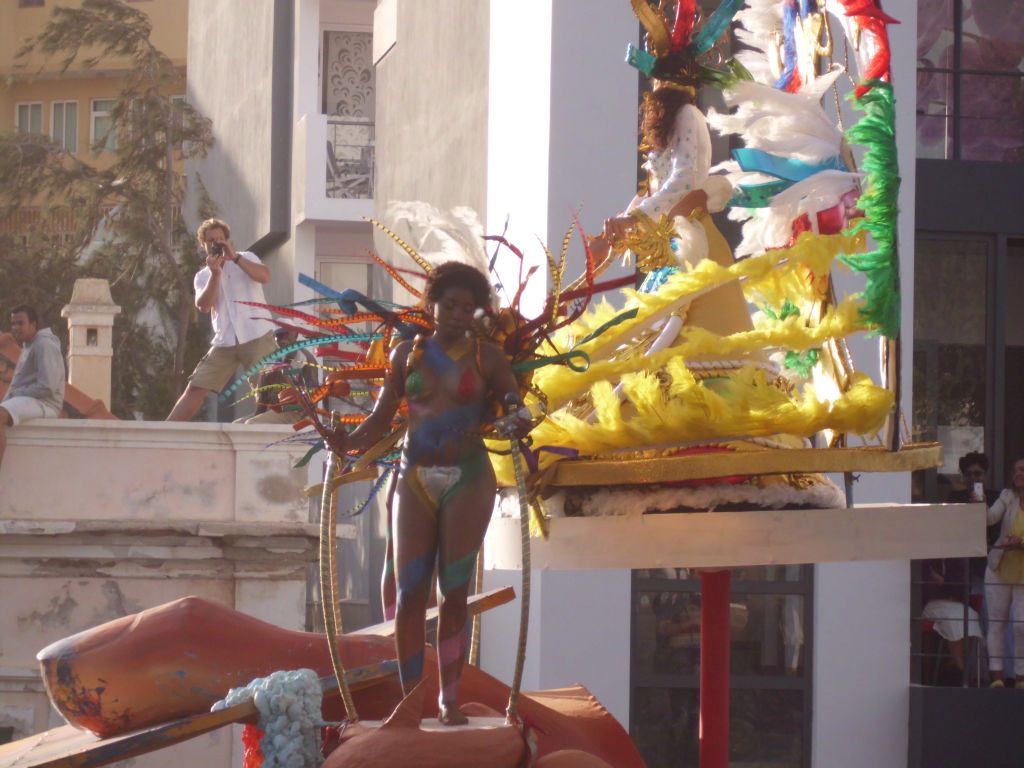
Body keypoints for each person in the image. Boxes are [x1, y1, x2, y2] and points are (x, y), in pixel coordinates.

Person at [324, 262, 530, 725]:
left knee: (453, 592)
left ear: (477, 312)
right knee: (410, 590)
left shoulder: (488, 358)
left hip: (467, 478)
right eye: (449, 305)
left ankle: (448, 700)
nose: (457, 314)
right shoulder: (407, 354)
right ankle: (410, 700)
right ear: (431, 305)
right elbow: (380, 418)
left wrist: (516, 420)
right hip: (413, 475)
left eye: (466, 308)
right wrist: (346, 441)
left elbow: (516, 407)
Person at [166, 218, 277, 421]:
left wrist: (235, 258)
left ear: (227, 240)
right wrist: (215, 274)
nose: (216, 243)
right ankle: (164, 432)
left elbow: (265, 276)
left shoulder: (246, 257)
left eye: (220, 239)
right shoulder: (203, 275)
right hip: (225, 340)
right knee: (196, 386)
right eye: (211, 240)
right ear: (204, 245)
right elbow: (203, 305)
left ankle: (272, 432)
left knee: (268, 390)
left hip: (257, 334)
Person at [0, 305, 66, 471]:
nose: (15, 328)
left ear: (33, 324)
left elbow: (48, 386)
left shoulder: (44, 344)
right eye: (13, 324)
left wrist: (17, 393)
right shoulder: (28, 345)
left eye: (20, 323)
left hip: (46, 403)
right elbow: (16, 384)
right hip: (31, 400)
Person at [984, 457, 1024, 687]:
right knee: (996, 623)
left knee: (1021, 626)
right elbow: (989, 519)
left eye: (1023, 470)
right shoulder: (1007, 496)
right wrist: (980, 504)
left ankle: (1021, 677)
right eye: (1016, 470)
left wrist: (1021, 543)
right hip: (999, 568)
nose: (1018, 473)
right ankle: (997, 677)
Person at [243, 327, 319, 425]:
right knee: (237, 425)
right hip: (274, 411)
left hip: (296, 412)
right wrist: (258, 415)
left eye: (286, 334)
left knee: (251, 424)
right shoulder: (271, 359)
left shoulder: (305, 358)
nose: (282, 338)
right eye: (279, 335)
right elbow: (263, 397)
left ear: (296, 335)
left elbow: (314, 392)